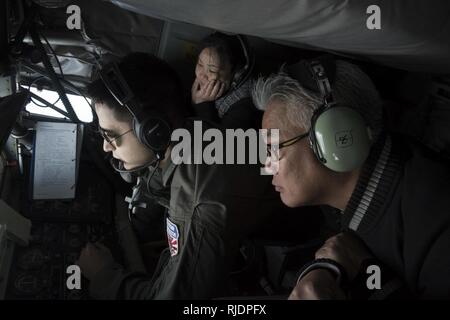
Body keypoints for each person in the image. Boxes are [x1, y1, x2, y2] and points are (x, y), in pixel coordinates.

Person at [77, 52, 282, 299]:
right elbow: (158, 183)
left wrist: (103, 275)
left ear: (152, 131)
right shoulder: (191, 132)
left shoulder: (197, 203)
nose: (106, 147)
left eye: (111, 135)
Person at [252, 57, 450, 299]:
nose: (267, 165)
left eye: (274, 149)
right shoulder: (360, 196)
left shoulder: (437, 223)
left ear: (335, 137)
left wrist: (368, 275)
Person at [191, 32, 260, 129]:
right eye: (200, 64)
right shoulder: (202, 80)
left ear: (236, 74)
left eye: (212, 70)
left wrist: (202, 105)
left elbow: (218, 142)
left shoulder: (244, 106)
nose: (201, 75)